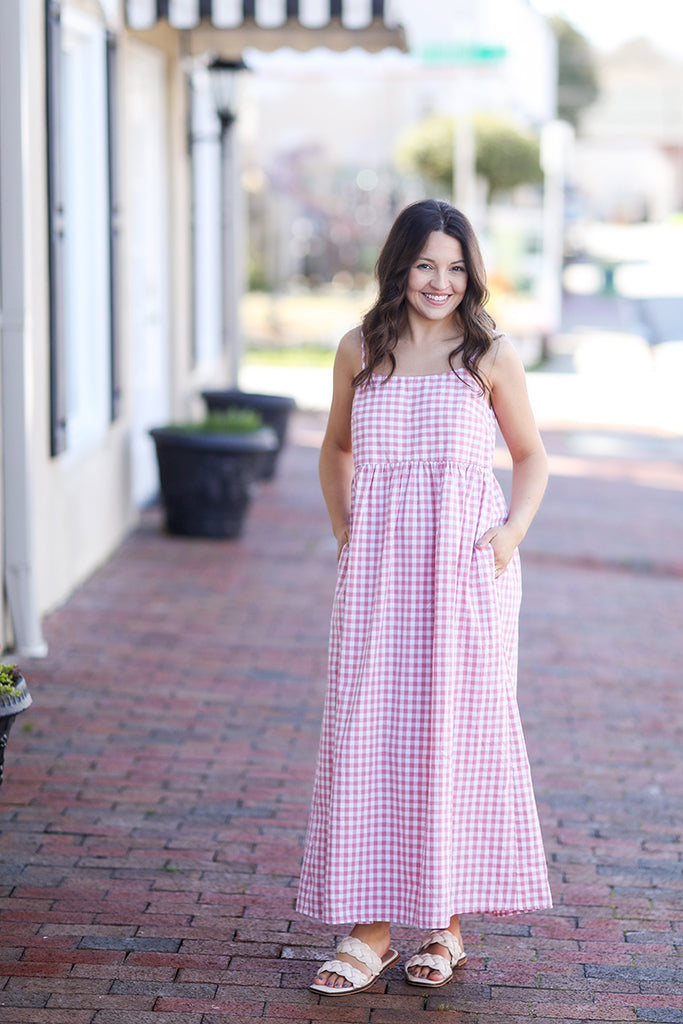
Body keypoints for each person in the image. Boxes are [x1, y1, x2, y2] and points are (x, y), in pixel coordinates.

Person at [296, 199, 552, 995]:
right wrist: (349, 533)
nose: (439, 282)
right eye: (423, 265)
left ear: (470, 271)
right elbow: (335, 448)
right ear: (398, 266)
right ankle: (371, 927)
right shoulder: (359, 348)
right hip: (378, 573)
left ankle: (443, 924)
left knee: (454, 734)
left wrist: (509, 534)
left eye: (454, 266)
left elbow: (531, 454)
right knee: (370, 731)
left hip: (466, 575)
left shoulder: (488, 354)